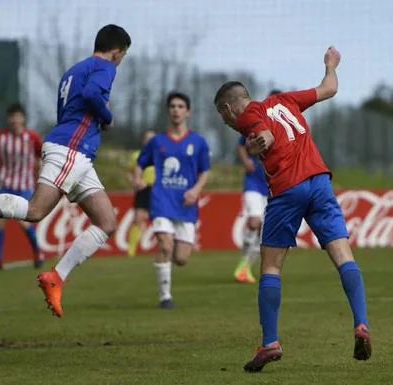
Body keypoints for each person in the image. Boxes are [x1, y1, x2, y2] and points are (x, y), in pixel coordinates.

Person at [0, 24, 131, 318]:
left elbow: (68, 111)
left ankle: (56, 277)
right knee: (36, 211)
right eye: (122, 56)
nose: (120, 61)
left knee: (107, 222)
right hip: (71, 150)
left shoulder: (72, 71)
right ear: (117, 51)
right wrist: (107, 118)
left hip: (77, 154)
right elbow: (91, 96)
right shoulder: (105, 66)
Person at [214, 46, 371, 372]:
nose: (227, 121)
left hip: (288, 189)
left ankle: (269, 342)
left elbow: (265, 136)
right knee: (344, 256)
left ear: (229, 108)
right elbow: (330, 88)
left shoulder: (246, 115)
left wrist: (257, 143)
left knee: (270, 268)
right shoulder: (285, 100)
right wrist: (330, 64)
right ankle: (361, 324)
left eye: (222, 115)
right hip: (320, 181)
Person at [134, 92, 210, 309]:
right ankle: (164, 297)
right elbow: (141, 162)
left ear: (188, 112)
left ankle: (170, 264)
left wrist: (196, 190)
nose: (176, 110)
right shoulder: (157, 141)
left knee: (181, 259)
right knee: (165, 246)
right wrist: (138, 179)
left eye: (180, 106)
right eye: (173, 106)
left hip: (186, 205)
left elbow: (205, 171)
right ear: (169, 111)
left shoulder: (198, 142)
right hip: (161, 201)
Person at [0, 103, 44, 269]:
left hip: (24, 186)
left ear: (23, 118)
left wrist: (39, 172)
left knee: (24, 222)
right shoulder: (1, 137)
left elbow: (41, 156)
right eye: (11, 117)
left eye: (17, 116)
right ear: (8, 119)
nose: (14, 120)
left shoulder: (32, 137)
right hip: (5, 185)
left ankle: (37, 253)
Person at [233, 90, 280, 284]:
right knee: (254, 221)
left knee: (262, 229)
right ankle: (243, 264)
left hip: (271, 185)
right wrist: (246, 160)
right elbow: (240, 145)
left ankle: (244, 267)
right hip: (253, 182)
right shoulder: (255, 123)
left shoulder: (283, 127)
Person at [125, 130, 155, 257]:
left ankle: (164, 248)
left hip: (158, 190)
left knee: (161, 219)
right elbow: (128, 172)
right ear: (143, 141)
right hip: (143, 189)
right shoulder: (137, 155)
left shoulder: (162, 154)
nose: (149, 141)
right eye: (147, 138)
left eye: (152, 139)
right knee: (138, 218)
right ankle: (131, 250)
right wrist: (134, 182)